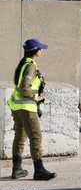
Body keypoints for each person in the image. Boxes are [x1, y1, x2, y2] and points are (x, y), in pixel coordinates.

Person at [7, 39, 56, 180]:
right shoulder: (31, 66)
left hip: (17, 106)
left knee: (20, 137)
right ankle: (39, 170)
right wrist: (37, 98)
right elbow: (24, 88)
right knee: (36, 137)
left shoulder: (23, 63)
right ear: (36, 51)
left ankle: (17, 170)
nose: (42, 51)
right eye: (40, 49)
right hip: (27, 107)